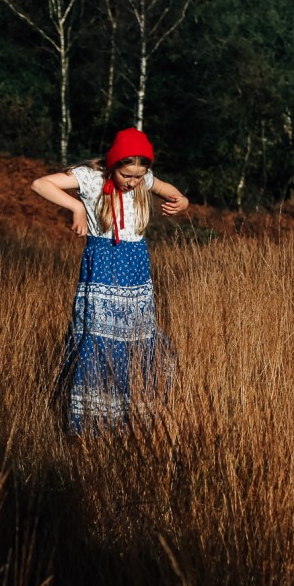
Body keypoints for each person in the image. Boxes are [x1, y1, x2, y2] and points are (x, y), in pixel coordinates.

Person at [31, 127, 189, 433]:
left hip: (137, 266)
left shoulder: (143, 181)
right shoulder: (91, 178)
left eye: (139, 176)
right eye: (126, 175)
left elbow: (169, 190)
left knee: (135, 337)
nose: (132, 182)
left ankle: (132, 416)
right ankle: (92, 421)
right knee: (99, 334)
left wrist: (181, 199)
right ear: (114, 164)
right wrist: (76, 206)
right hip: (103, 263)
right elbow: (41, 184)